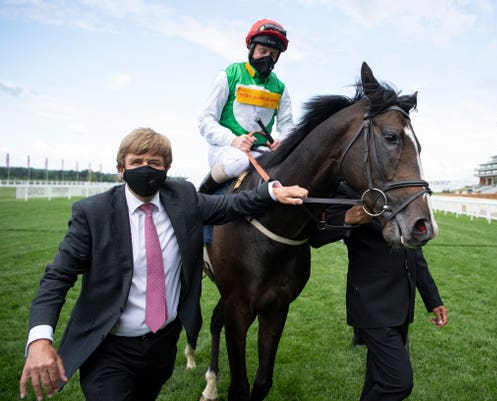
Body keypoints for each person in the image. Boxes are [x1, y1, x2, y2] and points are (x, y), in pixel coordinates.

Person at [19, 127, 307, 401]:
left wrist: (271, 192)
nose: (146, 168)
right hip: (109, 350)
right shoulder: (92, 213)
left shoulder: (182, 197)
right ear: (121, 168)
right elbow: (57, 278)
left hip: (161, 346)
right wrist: (40, 339)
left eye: (155, 163)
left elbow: (228, 206)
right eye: (137, 162)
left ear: (166, 169)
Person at [310, 182, 448, 401]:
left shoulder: (398, 192)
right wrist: (346, 219)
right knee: (398, 383)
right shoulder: (345, 192)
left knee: (378, 381)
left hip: (402, 306)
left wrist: (433, 300)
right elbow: (314, 237)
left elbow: (415, 254)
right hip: (371, 307)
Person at [198, 18, 294, 194]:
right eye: (262, 51)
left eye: (272, 54)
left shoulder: (280, 88)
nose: (267, 58)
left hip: (261, 151)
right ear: (251, 48)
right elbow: (205, 120)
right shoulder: (229, 75)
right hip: (225, 149)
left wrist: (283, 142)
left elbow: (287, 125)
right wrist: (233, 140)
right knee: (239, 162)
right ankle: (202, 196)